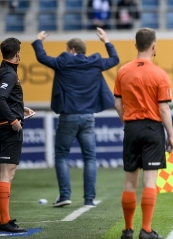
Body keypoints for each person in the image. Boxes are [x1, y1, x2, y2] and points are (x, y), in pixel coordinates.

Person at [31, 28, 119, 207]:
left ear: (71, 49)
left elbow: (42, 57)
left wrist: (38, 40)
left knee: (62, 155)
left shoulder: (63, 62)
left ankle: (64, 196)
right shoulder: (94, 62)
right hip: (88, 117)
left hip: (69, 116)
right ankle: (89, 200)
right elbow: (115, 59)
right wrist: (106, 40)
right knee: (90, 158)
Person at [114, 28, 173, 239]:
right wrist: (171, 135)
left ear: (135, 45)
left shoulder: (123, 71)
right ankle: (146, 229)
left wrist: (128, 121)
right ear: (153, 46)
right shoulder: (160, 74)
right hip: (152, 129)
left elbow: (117, 103)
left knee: (130, 181)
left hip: (131, 127)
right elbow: (164, 109)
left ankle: (128, 229)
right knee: (150, 181)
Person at [0, 37, 35, 232]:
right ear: (17, 53)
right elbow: (0, 99)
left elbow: (5, 99)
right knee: (7, 173)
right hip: (7, 129)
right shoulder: (9, 74)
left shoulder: (3, 71)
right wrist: (14, 121)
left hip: (3, 125)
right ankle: (4, 221)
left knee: (3, 173)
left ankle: (3, 219)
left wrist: (20, 109)